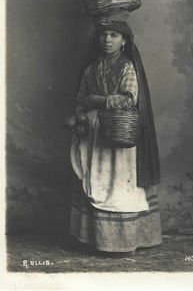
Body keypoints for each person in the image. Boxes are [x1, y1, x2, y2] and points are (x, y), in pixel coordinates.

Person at [69, 21, 162, 254]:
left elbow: (129, 99)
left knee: (118, 183)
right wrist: (79, 118)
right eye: (103, 35)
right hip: (93, 137)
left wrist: (100, 101)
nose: (107, 40)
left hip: (119, 134)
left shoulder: (126, 67)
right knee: (95, 178)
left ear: (124, 41)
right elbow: (81, 99)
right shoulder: (91, 69)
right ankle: (95, 239)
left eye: (114, 35)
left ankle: (124, 241)